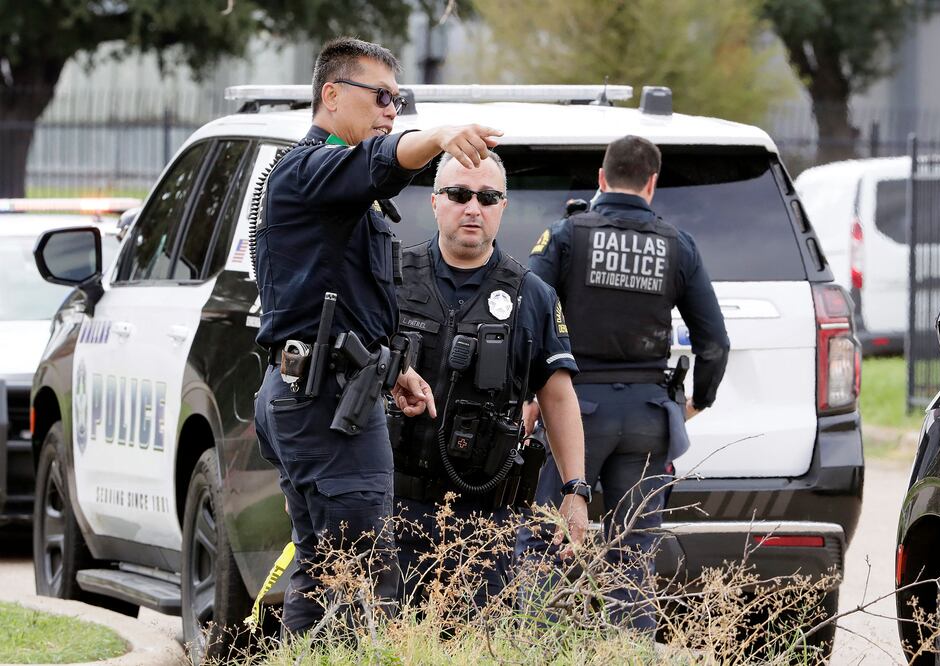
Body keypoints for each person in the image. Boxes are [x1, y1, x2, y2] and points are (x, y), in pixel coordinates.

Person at [252, 36, 503, 636]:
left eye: (401, 99)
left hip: (334, 390)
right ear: (331, 95)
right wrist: (439, 137)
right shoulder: (308, 169)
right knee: (362, 576)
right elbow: (383, 162)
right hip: (324, 402)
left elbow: (344, 300)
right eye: (383, 96)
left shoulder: (334, 193)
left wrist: (395, 369)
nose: (393, 110)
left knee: (329, 567)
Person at [518, 135, 730, 631]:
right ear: (652, 184)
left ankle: (533, 649)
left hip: (573, 410)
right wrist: (700, 399)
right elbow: (715, 342)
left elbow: (527, 314)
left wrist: (530, 397)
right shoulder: (677, 245)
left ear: (600, 178)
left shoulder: (566, 236)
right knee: (633, 556)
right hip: (645, 418)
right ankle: (629, 653)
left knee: (549, 542)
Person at [389, 151, 589, 611]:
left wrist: (575, 490)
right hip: (391, 510)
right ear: (435, 202)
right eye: (459, 195)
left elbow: (558, 398)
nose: (472, 208)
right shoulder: (392, 278)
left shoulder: (532, 295)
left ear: (504, 207)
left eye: (487, 197)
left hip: (484, 524)